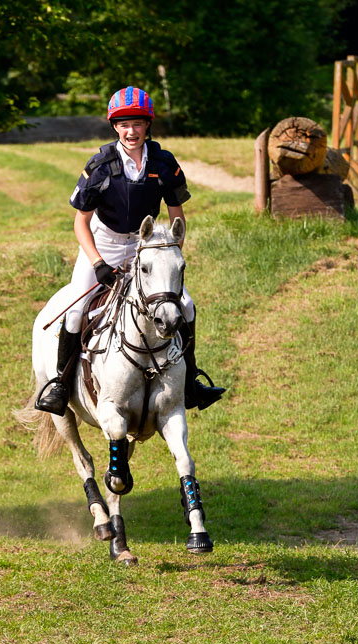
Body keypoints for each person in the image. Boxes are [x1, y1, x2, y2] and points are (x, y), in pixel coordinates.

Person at [36, 86, 224, 416]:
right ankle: (61, 386)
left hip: (145, 245)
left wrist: (168, 256)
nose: (131, 131)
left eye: (137, 123)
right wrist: (97, 264)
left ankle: (192, 381)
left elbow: (177, 216)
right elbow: (80, 223)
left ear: (147, 125)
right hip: (103, 244)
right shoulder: (100, 165)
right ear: (114, 127)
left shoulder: (164, 163)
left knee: (187, 306)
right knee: (76, 311)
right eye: (123, 124)